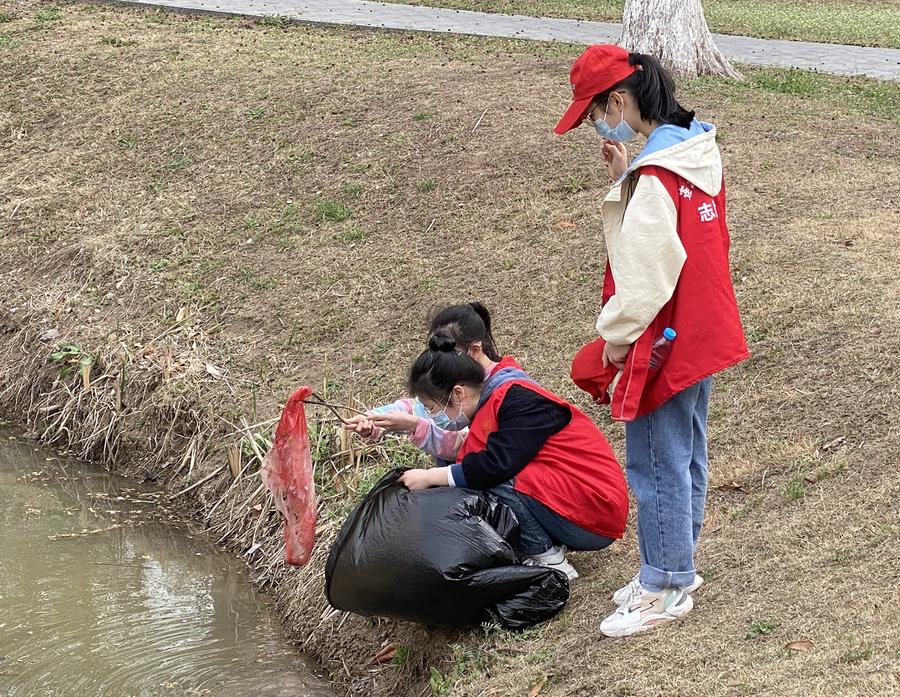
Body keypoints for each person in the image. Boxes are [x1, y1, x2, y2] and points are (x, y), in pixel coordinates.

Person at [555, 45, 749, 636]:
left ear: (619, 99)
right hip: (700, 329)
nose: (596, 124)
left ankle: (665, 583)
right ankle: (676, 566)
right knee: (684, 450)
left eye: (594, 111)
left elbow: (645, 276)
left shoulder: (657, 176)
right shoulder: (694, 148)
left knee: (654, 461)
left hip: (660, 336)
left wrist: (613, 340)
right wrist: (627, 178)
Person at [380, 332, 629, 582]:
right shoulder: (492, 402)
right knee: (463, 468)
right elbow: (458, 453)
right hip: (577, 503)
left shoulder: (517, 401)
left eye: (432, 408)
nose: (434, 416)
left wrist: (430, 477)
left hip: (596, 511)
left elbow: (494, 467)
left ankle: (547, 557)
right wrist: (414, 429)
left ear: (458, 394)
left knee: (488, 474)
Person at [345, 303, 527, 463]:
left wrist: (415, 426)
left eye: (448, 353)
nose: (440, 359)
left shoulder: (506, 393)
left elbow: (471, 450)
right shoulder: (460, 379)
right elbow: (419, 407)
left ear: (474, 350)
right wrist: (374, 420)